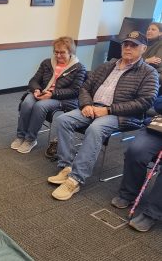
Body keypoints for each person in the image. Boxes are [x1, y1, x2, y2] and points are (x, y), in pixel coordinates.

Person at [47, 31, 159, 201]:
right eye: (126, 44)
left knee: (96, 128)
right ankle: (66, 166)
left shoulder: (148, 72)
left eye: (133, 45)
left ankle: (76, 179)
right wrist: (86, 105)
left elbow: (145, 102)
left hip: (122, 115)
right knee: (64, 120)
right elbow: (85, 87)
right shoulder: (108, 65)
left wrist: (108, 110)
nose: (128, 48)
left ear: (143, 48)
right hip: (93, 108)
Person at [11, 37, 86, 154]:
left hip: (63, 98)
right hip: (43, 92)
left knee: (40, 106)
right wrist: (36, 89)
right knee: (26, 103)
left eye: (62, 52)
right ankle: (21, 136)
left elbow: (75, 91)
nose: (58, 55)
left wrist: (52, 94)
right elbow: (34, 80)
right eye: (56, 52)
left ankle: (31, 139)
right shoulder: (47, 63)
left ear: (70, 52)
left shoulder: (79, 68)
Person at [110, 95, 162, 232]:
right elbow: (158, 103)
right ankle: (129, 193)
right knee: (136, 151)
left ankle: (152, 212)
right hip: (158, 128)